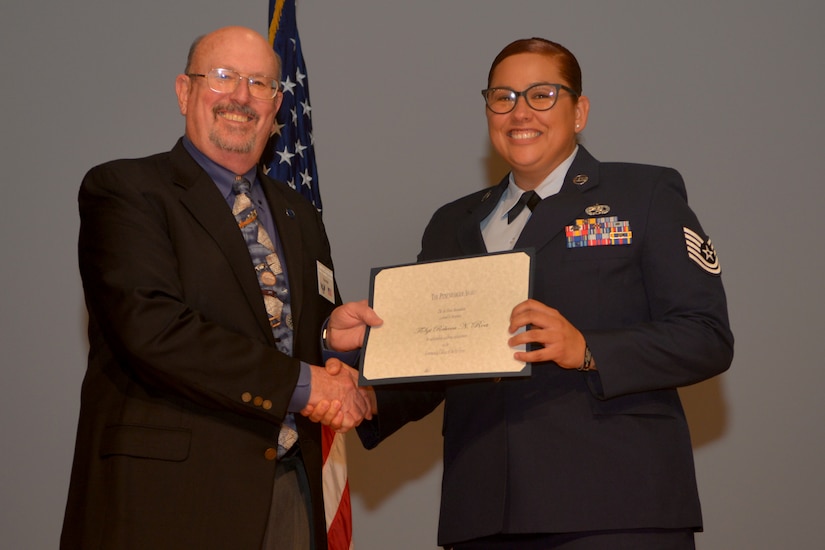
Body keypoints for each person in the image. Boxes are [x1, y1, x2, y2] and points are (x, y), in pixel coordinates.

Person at [313, 37, 734, 549]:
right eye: (503, 97)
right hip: (484, 514)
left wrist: (588, 350)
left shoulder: (643, 195)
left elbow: (706, 336)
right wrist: (367, 387)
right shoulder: (451, 224)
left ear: (579, 111)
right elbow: (437, 366)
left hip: (615, 507)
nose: (519, 112)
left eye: (542, 95)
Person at [61, 26, 377, 550]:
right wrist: (308, 384)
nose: (241, 97)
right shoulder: (126, 191)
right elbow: (155, 331)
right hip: (169, 499)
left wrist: (327, 338)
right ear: (185, 91)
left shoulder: (299, 215)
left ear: (277, 106)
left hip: (289, 495)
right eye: (224, 77)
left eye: (260, 84)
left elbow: (277, 332)